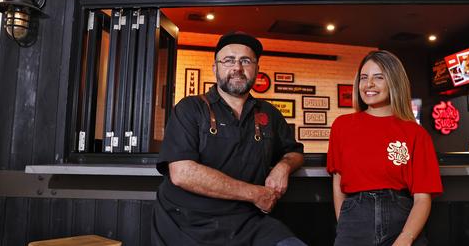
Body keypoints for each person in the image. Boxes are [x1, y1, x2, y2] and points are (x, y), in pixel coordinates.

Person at [152, 31, 306, 246]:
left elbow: (295, 152)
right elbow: (182, 173)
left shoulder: (269, 113)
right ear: (215, 68)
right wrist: (255, 193)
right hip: (189, 222)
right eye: (229, 60)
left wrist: (284, 166)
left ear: (257, 69)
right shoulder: (190, 108)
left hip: (248, 221)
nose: (237, 68)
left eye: (245, 61)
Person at [327, 50, 442, 246]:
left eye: (378, 77)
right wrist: (344, 225)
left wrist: (406, 238)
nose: (368, 84)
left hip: (403, 221)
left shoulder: (416, 133)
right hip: (354, 222)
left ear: (394, 82)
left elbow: (423, 198)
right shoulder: (342, 125)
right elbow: (338, 184)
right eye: (364, 78)